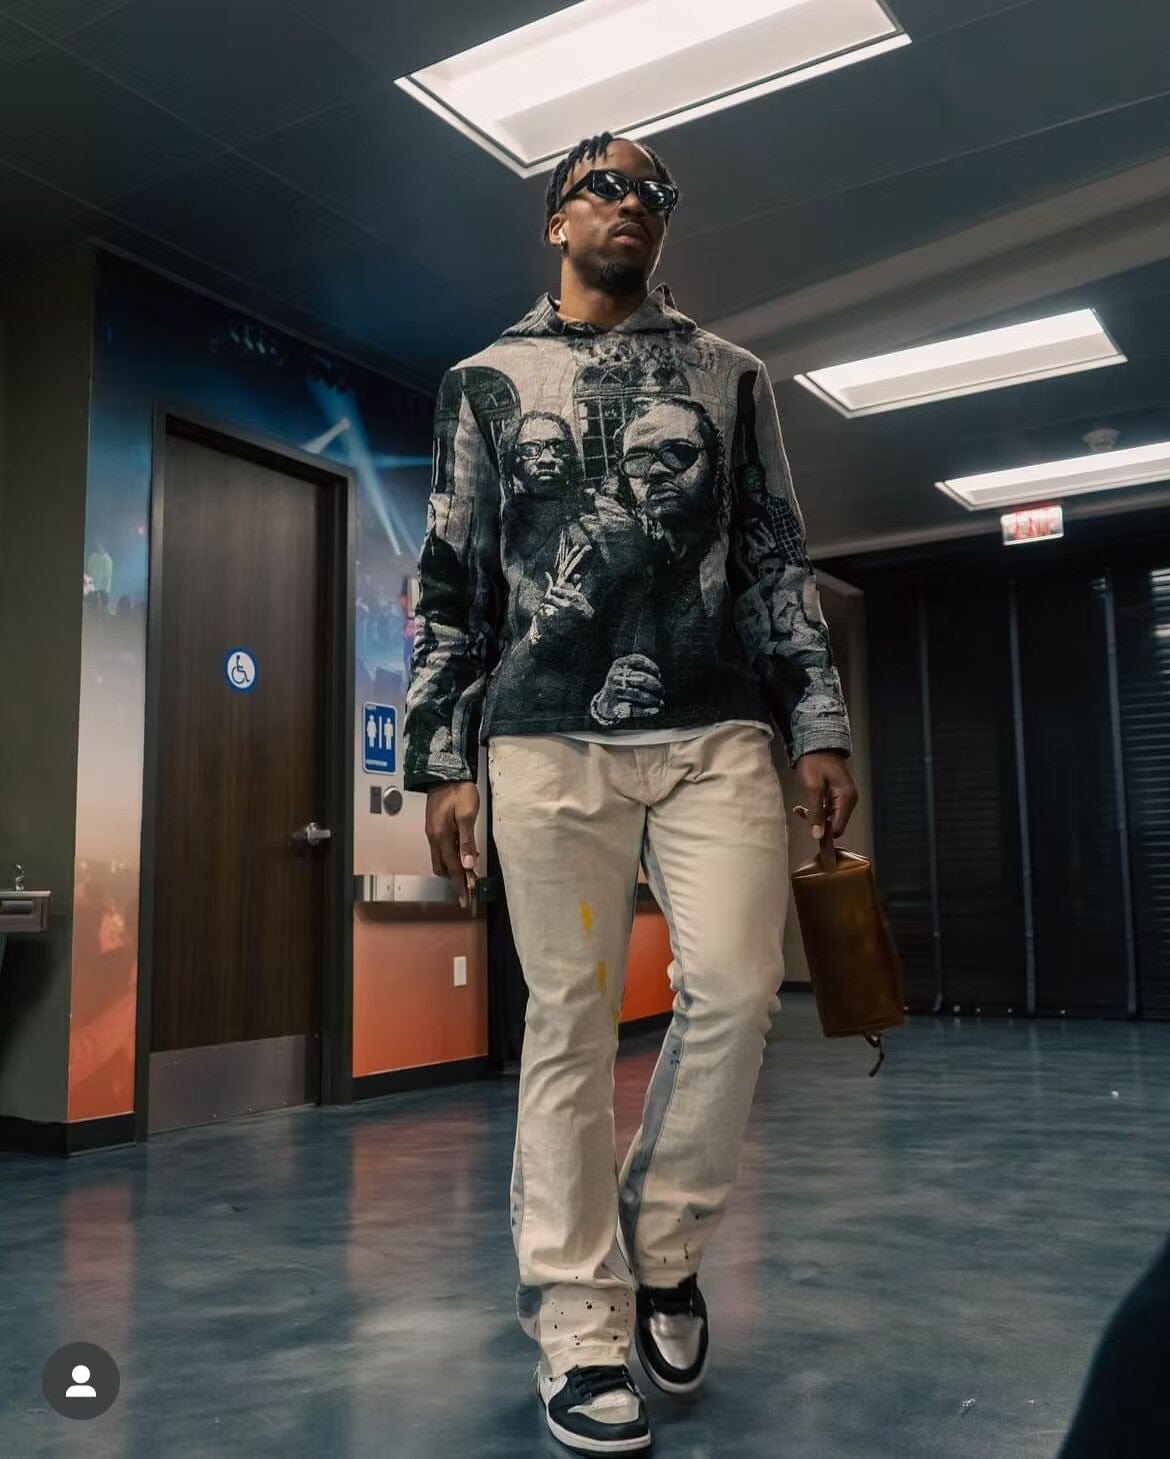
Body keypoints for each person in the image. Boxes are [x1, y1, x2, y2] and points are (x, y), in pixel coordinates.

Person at [403, 133, 857, 1455]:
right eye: (607, 186)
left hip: (714, 731)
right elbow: (452, 580)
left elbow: (774, 554)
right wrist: (441, 757)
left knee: (736, 987)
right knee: (570, 1020)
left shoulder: (731, 377)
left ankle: (663, 1249)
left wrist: (818, 722)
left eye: (655, 195)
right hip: (545, 741)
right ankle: (577, 1314)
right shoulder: (486, 382)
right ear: (557, 219)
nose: (634, 206)